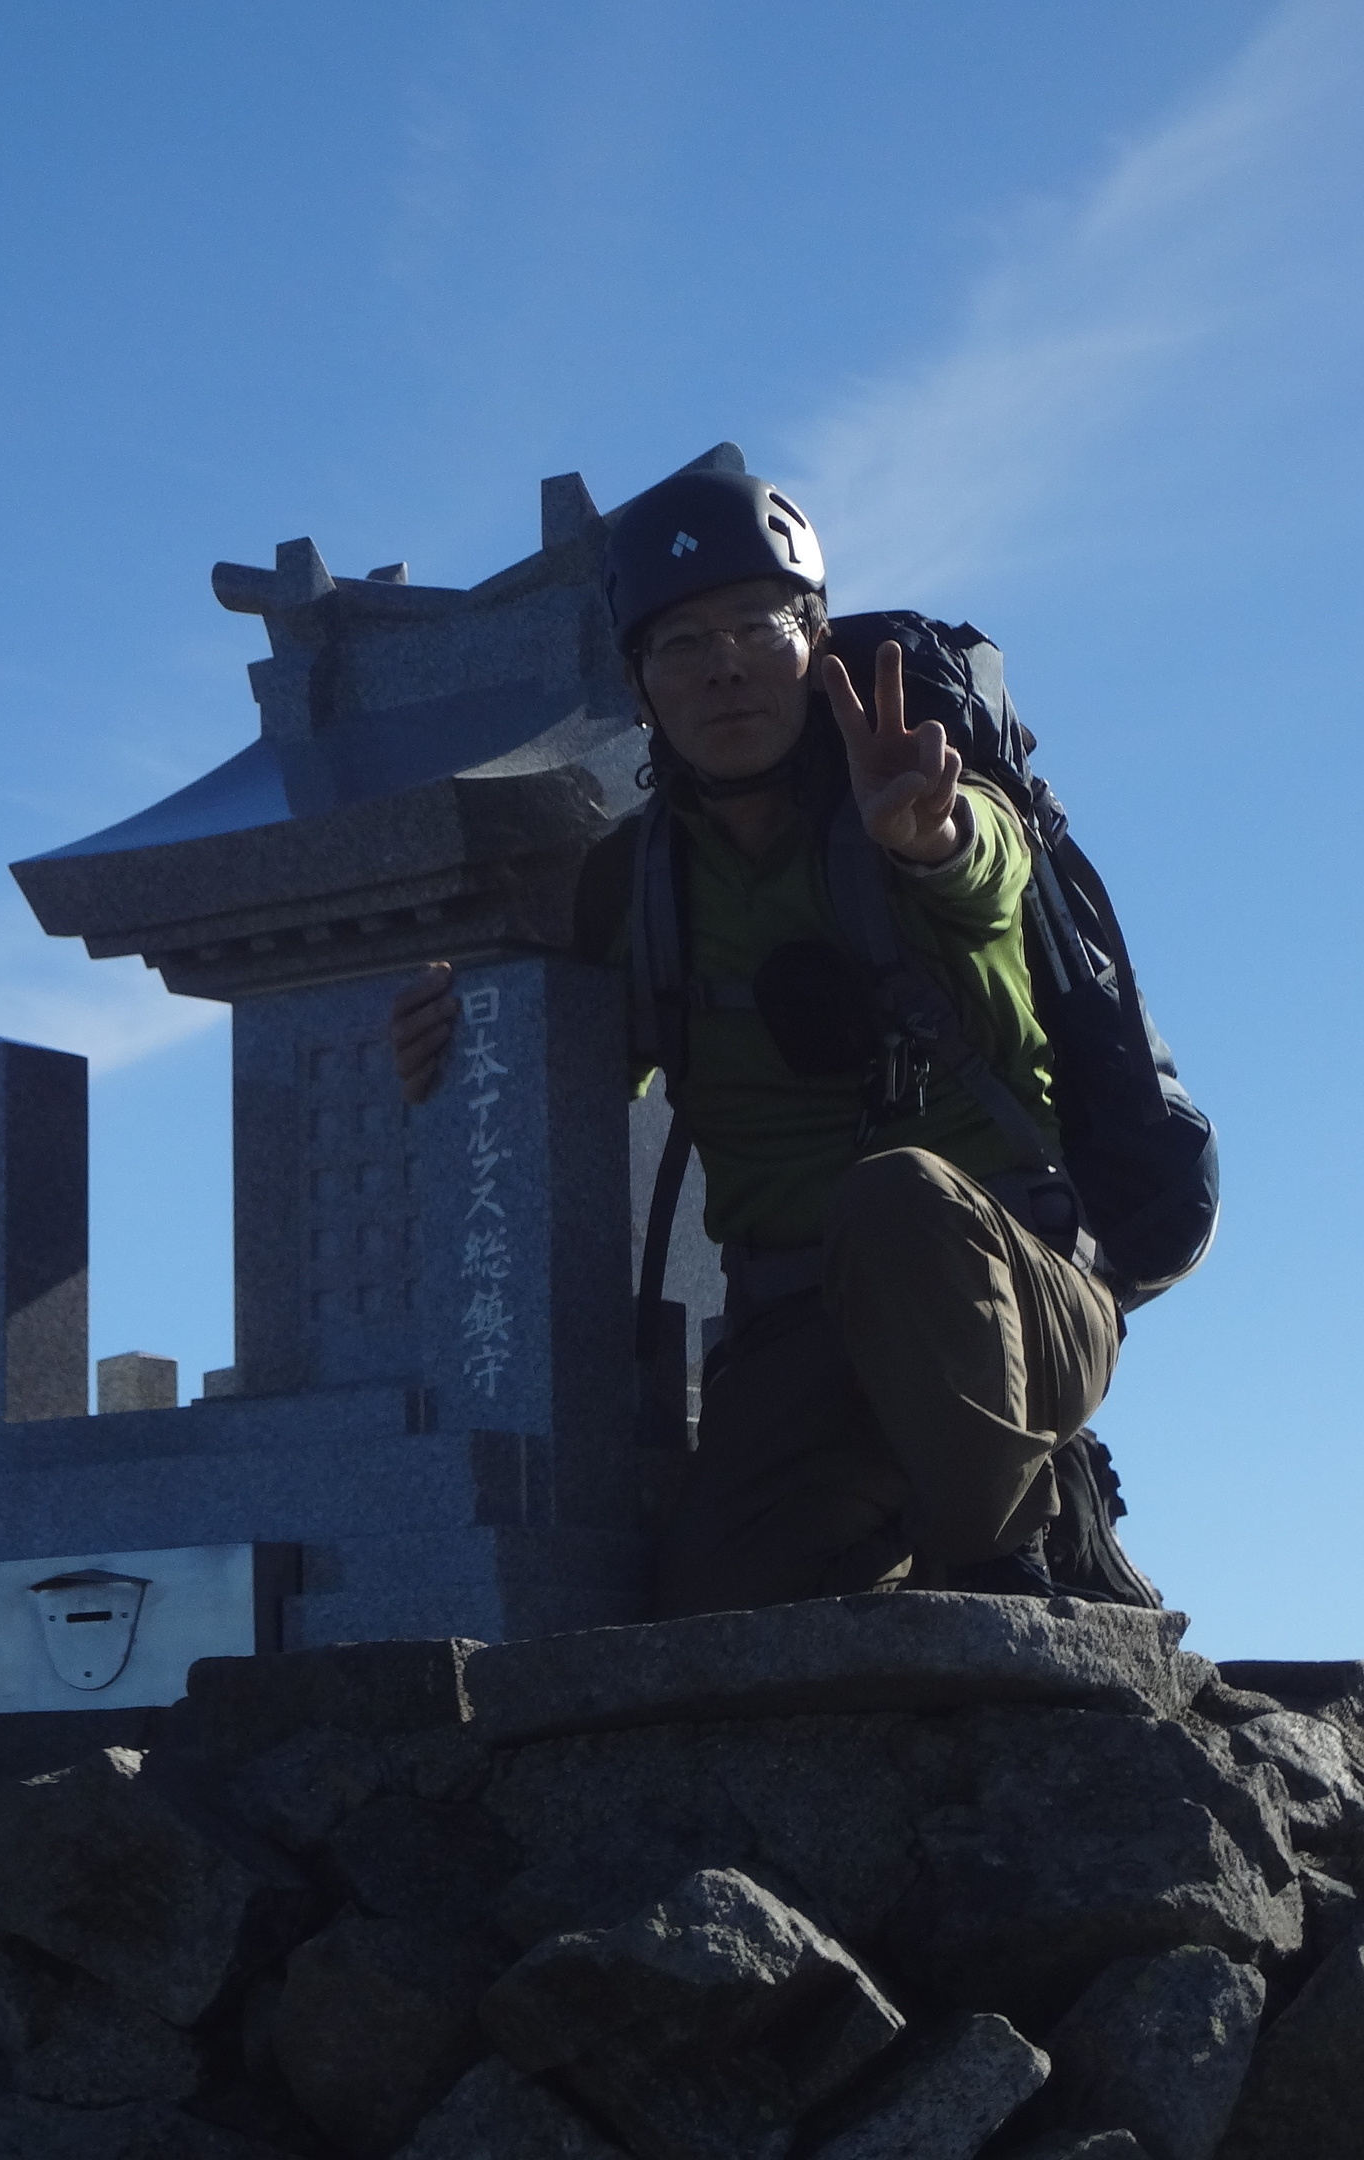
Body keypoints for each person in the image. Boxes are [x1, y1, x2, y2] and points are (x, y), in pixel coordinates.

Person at [386, 446, 1124, 1613]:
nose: (724, 669)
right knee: (717, 1597)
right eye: (682, 645)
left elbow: (978, 875)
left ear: (816, 646)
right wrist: (456, 1046)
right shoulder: (633, 886)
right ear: (640, 686)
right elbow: (572, 1072)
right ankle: (920, 1519)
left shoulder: (932, 797)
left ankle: (1008, 1552)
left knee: (896, 1195)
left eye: (756, 629)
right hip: (796, 1332)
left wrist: (923, 836)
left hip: (1017, 1296)